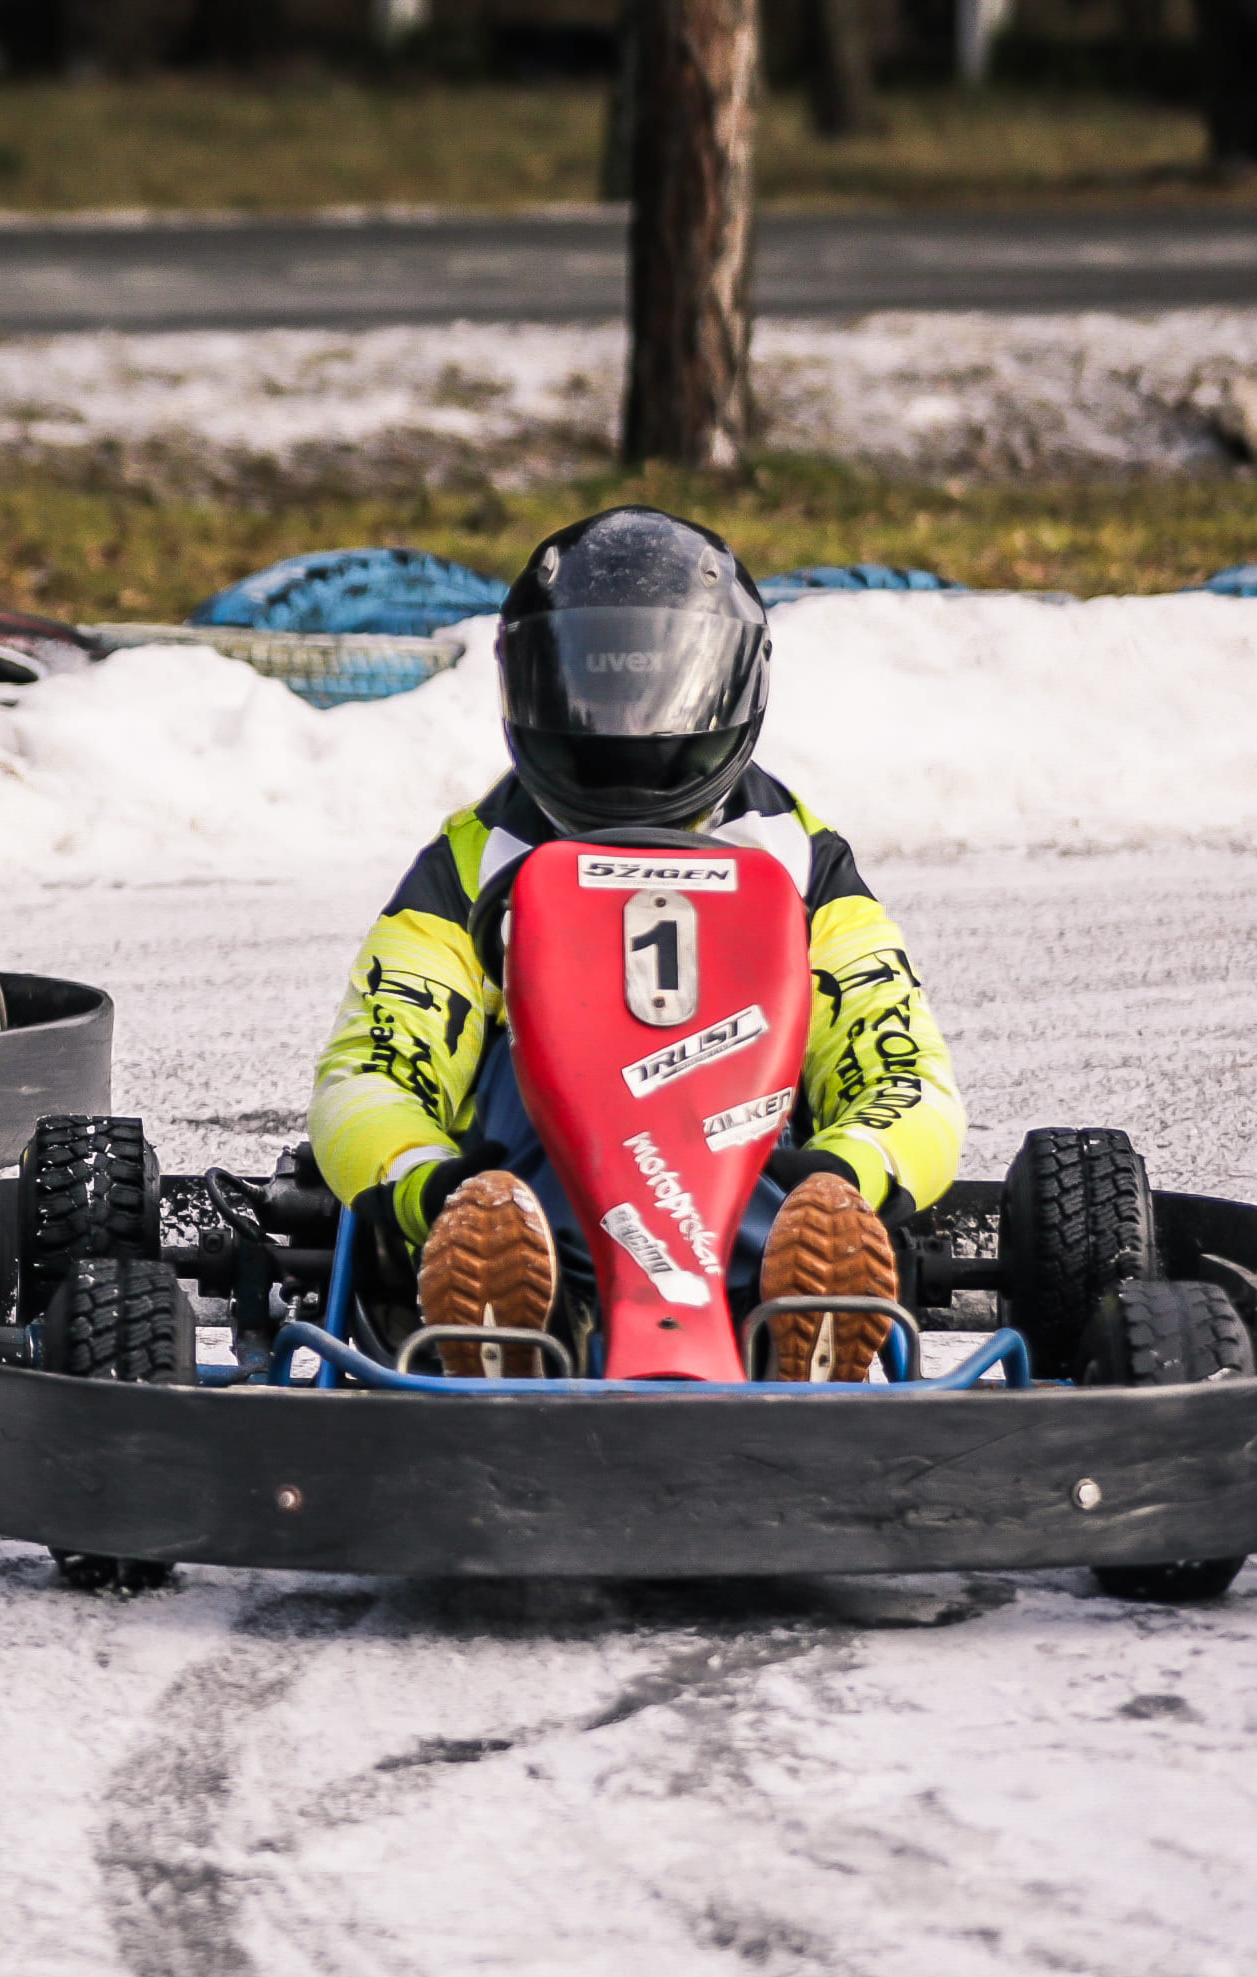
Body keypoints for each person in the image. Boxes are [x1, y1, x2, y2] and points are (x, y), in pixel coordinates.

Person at [307, 506, 966, 1380]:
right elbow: (375, 1070)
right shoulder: (474, 865)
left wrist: (841, 1176)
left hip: (757, 1201)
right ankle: (512, 1308)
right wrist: (435, 1189)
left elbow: (904, 1073)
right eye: (601, 689)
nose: (623, 729)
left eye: (653, 693)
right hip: (525, 1208)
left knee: (807, 1112)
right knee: (489, 1090)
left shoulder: (800, 863)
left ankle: (801, 1298)